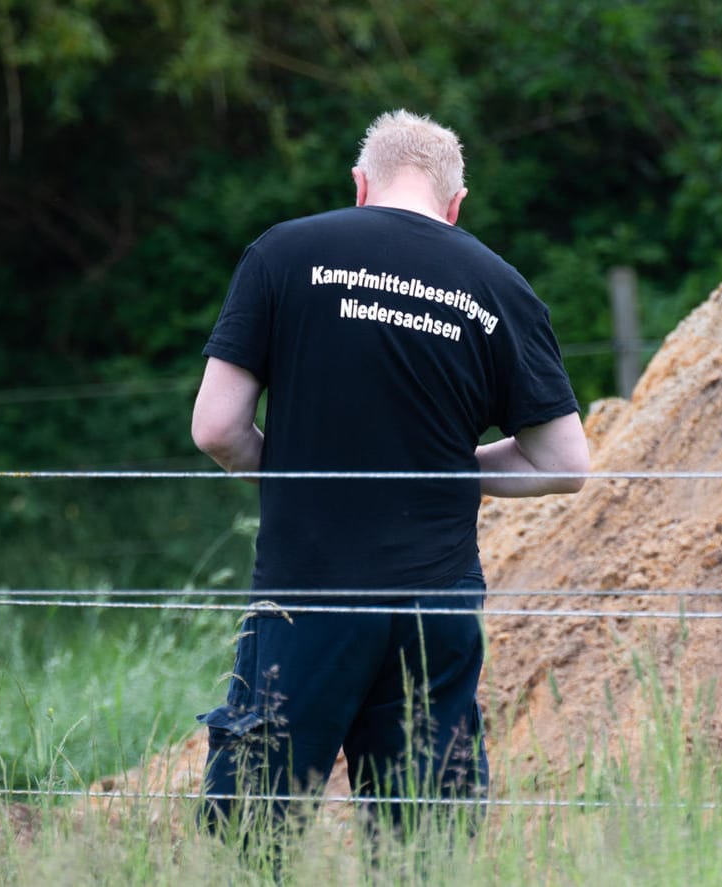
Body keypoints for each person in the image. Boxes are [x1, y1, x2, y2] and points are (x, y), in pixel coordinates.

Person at [190, 109, 590, 839]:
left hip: (305, 595)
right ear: (455, 203)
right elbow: (565, 465)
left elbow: (215, 427)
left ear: (359, 184)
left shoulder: (284, 253)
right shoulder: (499, 286)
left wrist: (302, 475)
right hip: (434, 604)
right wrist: (433, 473)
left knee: (252, 827)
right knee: (422, 841)